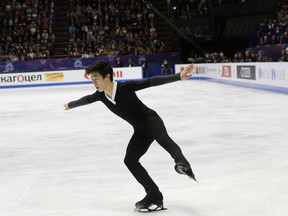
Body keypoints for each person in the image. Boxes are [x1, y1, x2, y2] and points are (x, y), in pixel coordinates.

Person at [64, 61, 196, 212]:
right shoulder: (100, 95)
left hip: (151, 120)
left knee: (164, 140)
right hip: (140, 130)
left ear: (107, 76)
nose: (93, 82)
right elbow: (86, 99)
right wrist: (71, 104)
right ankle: (154, 195)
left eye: (96, 78)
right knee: (130, 161)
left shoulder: (124, 88)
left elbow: (150, 81)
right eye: (92, 79)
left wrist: (178, 76)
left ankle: (182, 164)